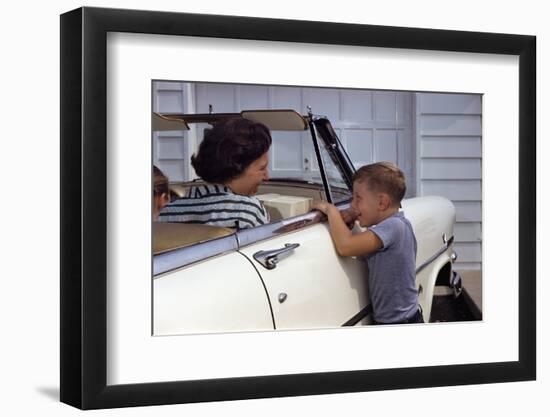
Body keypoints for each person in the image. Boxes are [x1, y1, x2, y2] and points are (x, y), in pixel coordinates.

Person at [312, 162, 422, 325]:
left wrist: (331, 210)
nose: (352, 204)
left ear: (382, 203)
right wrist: (351, 217)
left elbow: (346, 246)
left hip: (400, 324)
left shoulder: (394, 227)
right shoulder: (392, 226)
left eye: (358, 198)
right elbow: (359, 246)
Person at [158, 118, 271, 229]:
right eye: (262, 168)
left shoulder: (165, 212)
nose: (267, 176)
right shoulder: (248, 211)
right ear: (236, 167)